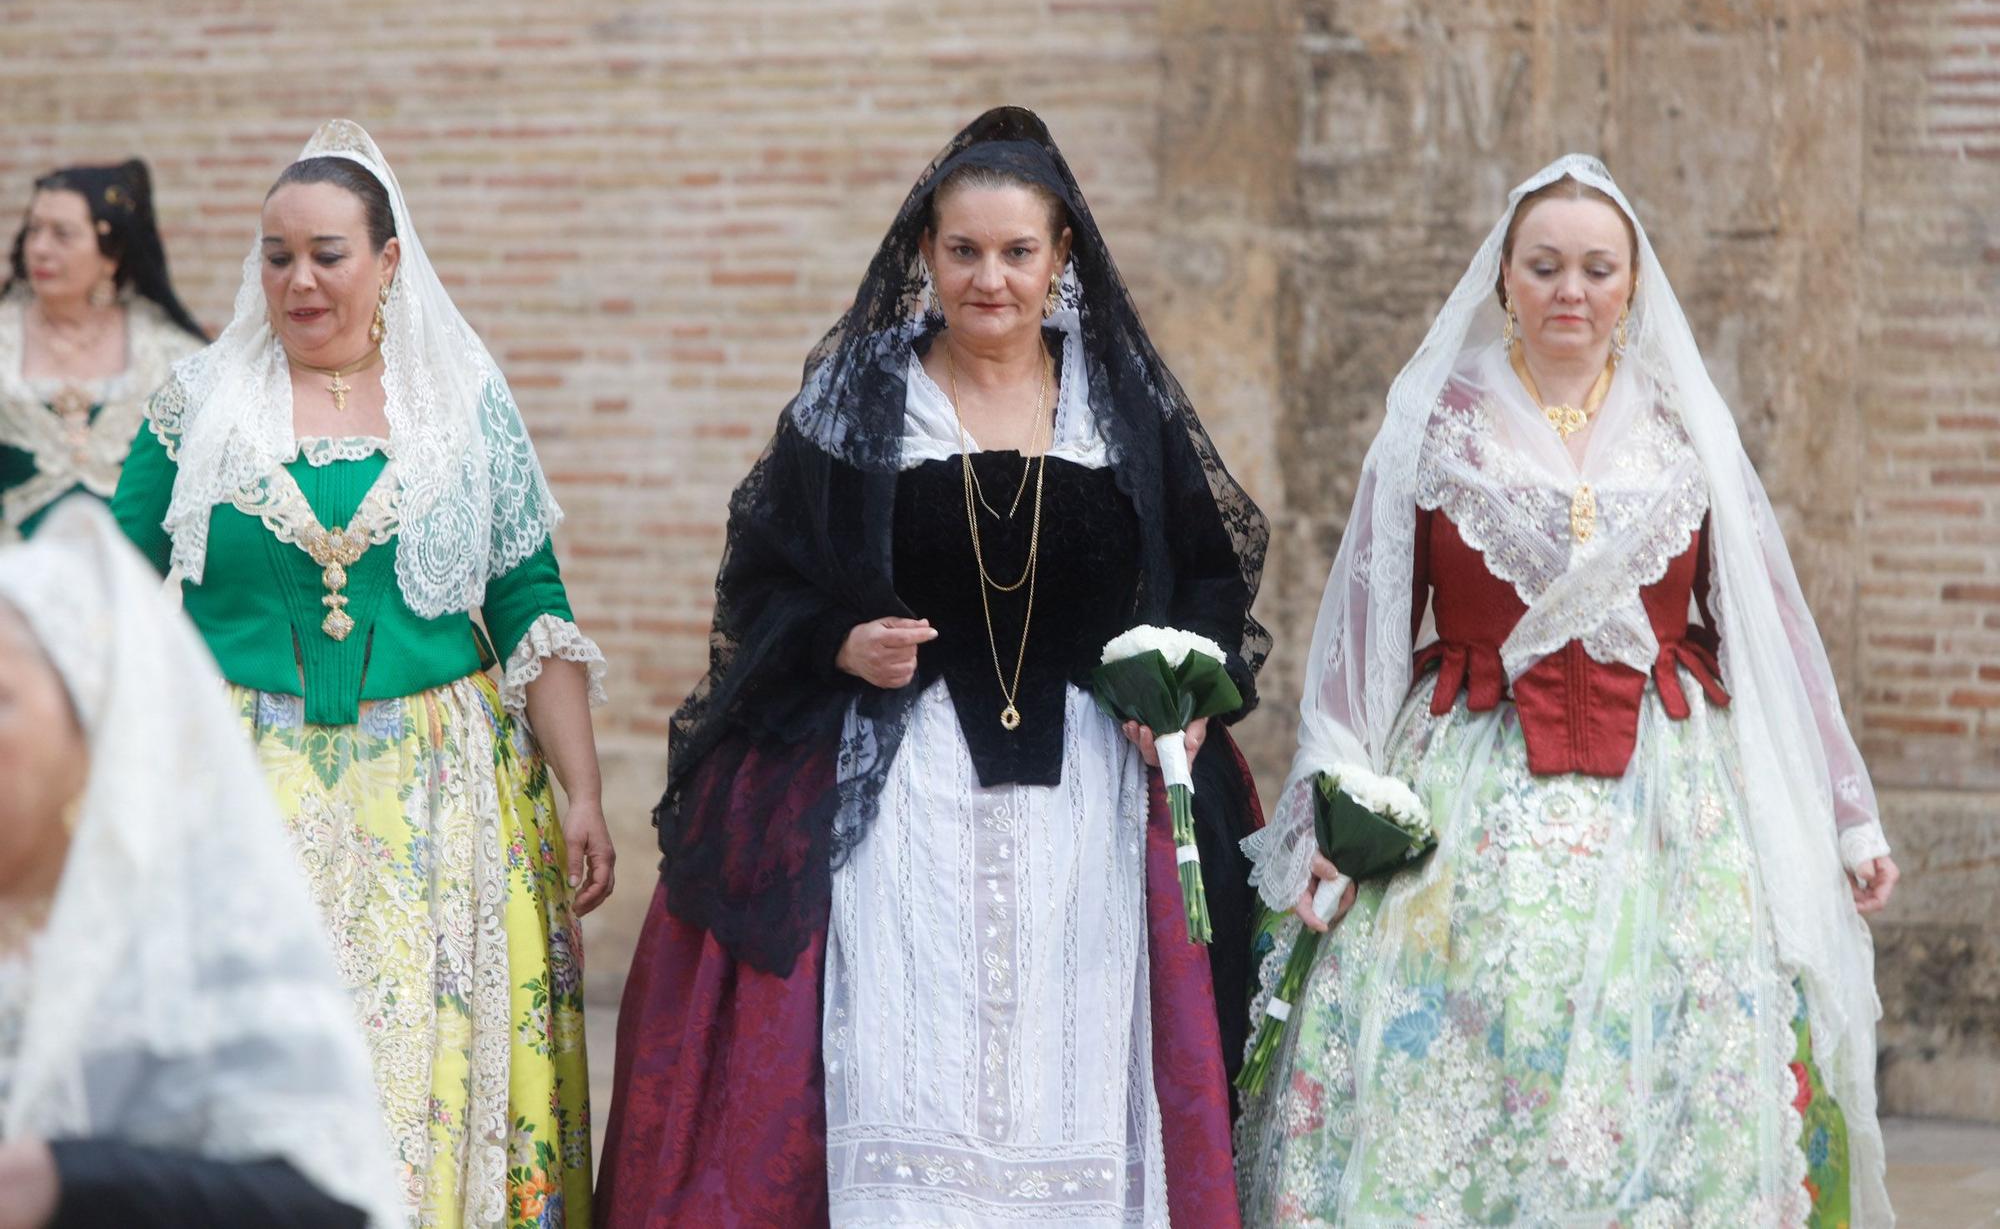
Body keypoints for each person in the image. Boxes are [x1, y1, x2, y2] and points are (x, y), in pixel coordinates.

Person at [597, 106, 1270, 1227]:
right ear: (924, 253)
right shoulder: (857, 403)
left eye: (1016, 252)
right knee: (910, 1063)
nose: (989, 279)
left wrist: (1188, 699)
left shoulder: (1122, 410)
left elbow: (1208, 577)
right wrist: (836, 640)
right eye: (962, 251)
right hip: (900, 799)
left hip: (1091, 812)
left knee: (1079, 1067)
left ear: (1062, 258)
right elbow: (761, 580)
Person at [1234, 155, 1898, 1226]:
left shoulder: (1682, 430)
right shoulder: (1434, 423)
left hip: (1670, 803)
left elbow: (1768, 629)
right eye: (1543, 266)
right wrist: (1329, 811)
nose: (1569, 291)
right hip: (1465, 790)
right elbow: (1361, 630)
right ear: (1503, 276)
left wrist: (1844, 813)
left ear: (1631, 283)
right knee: (1474, 1036)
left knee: (1668, 1047)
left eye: (1595, 268)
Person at [110, 119, 612, 1228]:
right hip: (235, 790)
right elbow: (105, 580)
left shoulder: (462, 407)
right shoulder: (198, 406)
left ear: (387, 260)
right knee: (263, 1079)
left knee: (425, 1080)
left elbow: (528, 599)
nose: (298, 279)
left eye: (326, 253)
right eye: (275, 254)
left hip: (444, 801)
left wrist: (582, 790)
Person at [0, 498, 404, 1229]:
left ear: (90, 732)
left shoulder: (202, 944)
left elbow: (320, 1202)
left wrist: (64, 1180)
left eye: (2, 699)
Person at [0, 160, 205, 541]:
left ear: (111, 255)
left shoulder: (168, 354)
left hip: (131, 584)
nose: (40, 249)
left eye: (63, 234)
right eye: (34, 231)